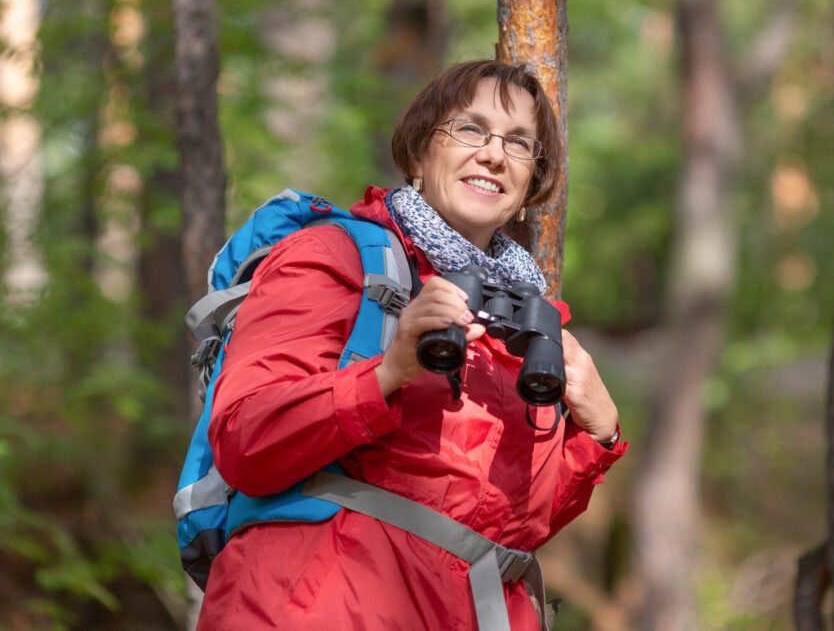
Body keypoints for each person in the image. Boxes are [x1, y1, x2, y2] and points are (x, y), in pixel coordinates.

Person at [196, 60, 627, 630]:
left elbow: (510, 526)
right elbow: (245, 442)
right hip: (320, 607)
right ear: (420, 153)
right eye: (470, 129)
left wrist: (599, 435)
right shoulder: (334, 257)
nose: (495, 155)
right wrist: (388, 371)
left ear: (529, 186)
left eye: (519, 143)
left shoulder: (529, 324)